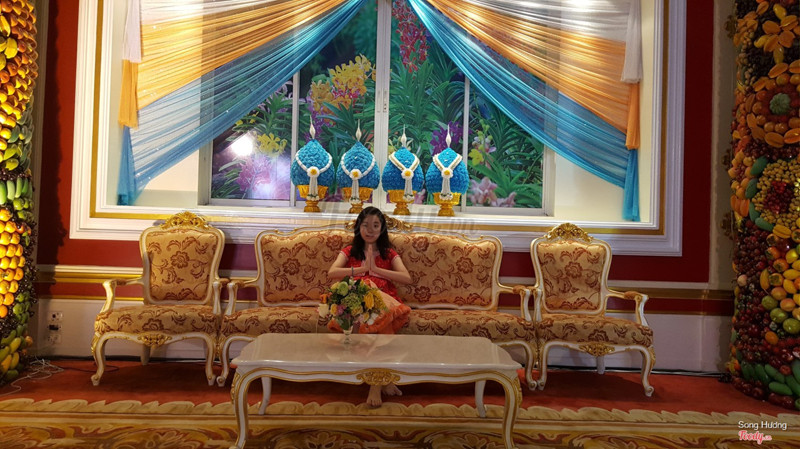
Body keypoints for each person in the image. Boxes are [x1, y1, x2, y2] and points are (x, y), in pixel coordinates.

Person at [327, 206, 412, 407]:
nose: (371, 230)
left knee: (378, 313)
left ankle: (376, 384)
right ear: (359, 227)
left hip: (383, 299)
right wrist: (362, 269)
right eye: (366, 225)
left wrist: (377, 270)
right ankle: (382, 380)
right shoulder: (350, 251)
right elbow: (332, 273)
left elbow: (406, 278)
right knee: (370, 313)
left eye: (375, 225)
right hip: (357, 298)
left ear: (382, 228)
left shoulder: (389, 253)